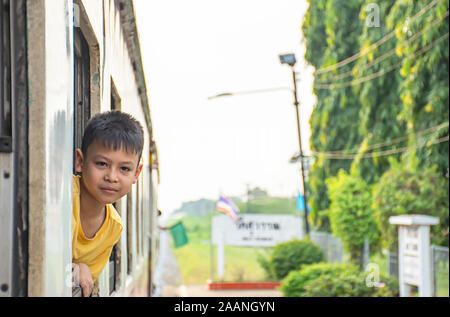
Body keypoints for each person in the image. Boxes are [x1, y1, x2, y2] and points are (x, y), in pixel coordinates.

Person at [72, 110, 144, 297]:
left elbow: (86, 283)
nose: (112, 177)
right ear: (80, 161)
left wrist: (81, 269)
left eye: (124, 168)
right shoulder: (65, 199)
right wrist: (75, 268)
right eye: (102, 164)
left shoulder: (113, 227)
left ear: (136, 174)